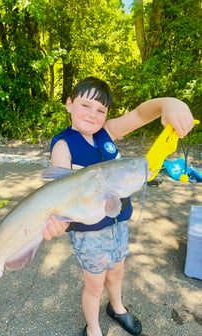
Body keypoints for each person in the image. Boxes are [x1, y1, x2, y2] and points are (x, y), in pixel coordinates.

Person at [42, 77, 194, 336]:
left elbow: (141, 113)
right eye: (85, 105)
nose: (93, 115)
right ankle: (93, 327)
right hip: (89, 232)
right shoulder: (64, 146)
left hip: (118, 221)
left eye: (101, 110)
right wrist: (59, 223)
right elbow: (61, 198)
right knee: (94, 284)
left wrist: (170, 103)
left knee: (117, 271)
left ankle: (117, 307)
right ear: (68, 104)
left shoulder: (108, 131)